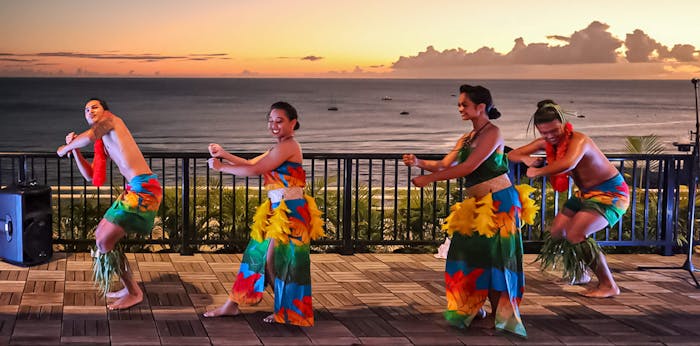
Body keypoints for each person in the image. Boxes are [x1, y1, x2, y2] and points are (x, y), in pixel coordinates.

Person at [404, 85, 537, 338]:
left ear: (481, 107)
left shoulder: (493, 133)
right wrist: (419, 163)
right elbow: (445, 164)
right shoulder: (466, 138)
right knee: (465, 255)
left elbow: (468, 167)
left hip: (499, 203)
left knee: (497, 258)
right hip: (476, 205)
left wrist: (430, 181)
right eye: (459, 104)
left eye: (464, 104)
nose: (460, 109)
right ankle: (471, 307)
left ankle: (502, 314)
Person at [203, 101, 324, 326]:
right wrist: (224, 154)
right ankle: (233, 305)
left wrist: (221, 167)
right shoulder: (277, 148)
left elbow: (255, 170)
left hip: (291, 213)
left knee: (278, 260)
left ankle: (287, 311)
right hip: (275, 211)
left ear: (293, 123)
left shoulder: (288, 146)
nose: (273, 125)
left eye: (279, 121)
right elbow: (251, 163)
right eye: (270, 121)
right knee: (255, 257)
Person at [508, 100, 630, 298]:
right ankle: (580, 272)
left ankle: (609, 284)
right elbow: (513, 154)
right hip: (585, 194)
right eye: (544, 133)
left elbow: (567, 164)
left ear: (563, 123)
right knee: (558, 231)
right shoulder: (547, 142)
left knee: (576, 234)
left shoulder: (579, 140)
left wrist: (536, 172)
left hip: (611, 194)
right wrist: (526, 159)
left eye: (554, 131)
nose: (550, 137)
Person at [57, 98, 162, 310]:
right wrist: (74, 151)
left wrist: (65, 147)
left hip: (144, 190)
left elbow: (88, 136)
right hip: (133, 190)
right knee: (101, 238)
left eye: (94, 106)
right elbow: (90, 175)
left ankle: (134, 292)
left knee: (104, 241)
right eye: (86, 109)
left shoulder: (111, 121)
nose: (90, 110)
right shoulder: (102, 141)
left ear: (105, 111)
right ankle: (129, 287)